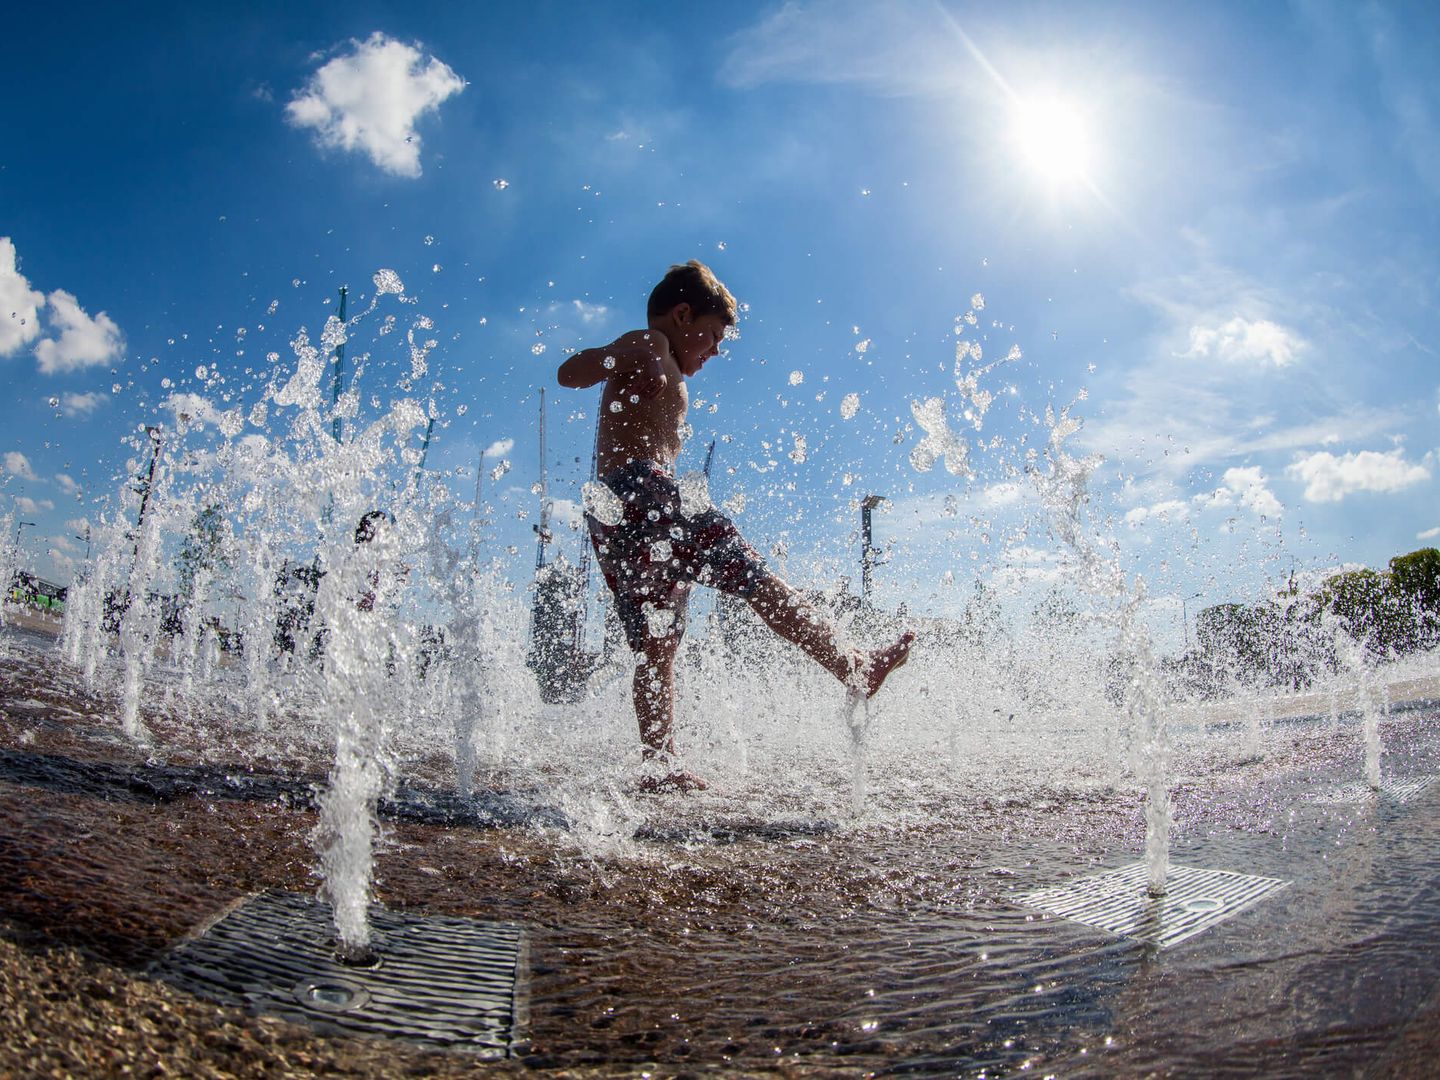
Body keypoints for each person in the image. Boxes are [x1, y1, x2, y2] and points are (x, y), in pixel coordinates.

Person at [557, 260, 914, 792]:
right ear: (682, 315)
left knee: (659, 643)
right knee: (751, 575)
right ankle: (852, 666)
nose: (717, 350)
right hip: (645, 495)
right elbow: (570, 372)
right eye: (714, 336)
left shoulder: (660, 357)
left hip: (617, 515)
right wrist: (620, 356)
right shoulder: (649, 344)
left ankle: (659, 764)